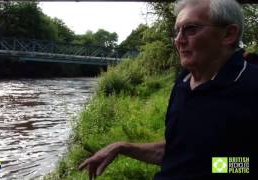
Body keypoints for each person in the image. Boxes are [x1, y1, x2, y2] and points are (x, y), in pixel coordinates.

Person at [79, 0, 257, 179]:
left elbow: (248, 164)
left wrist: (215, 165)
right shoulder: (183, 81)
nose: (179, 40)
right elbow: (178, 152)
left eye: (191, 29)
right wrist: (123, 147)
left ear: (228, 34)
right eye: (177, 31)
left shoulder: (250, 85)